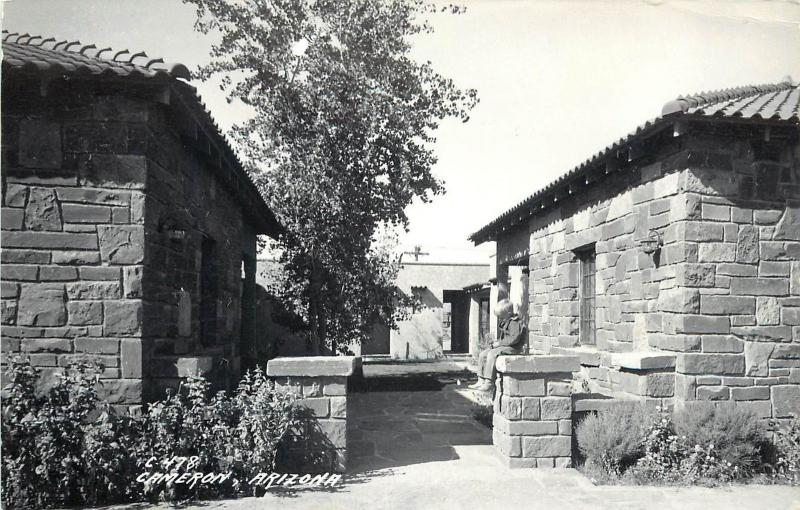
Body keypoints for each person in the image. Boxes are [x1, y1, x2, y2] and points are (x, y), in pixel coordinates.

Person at [469, 299, 526, 392]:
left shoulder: (515, 323)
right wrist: (497, 343)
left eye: (501, 317)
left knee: (492, 354)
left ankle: (489, 382)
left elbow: (514, 339)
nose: (500, 319)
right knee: (483, 354)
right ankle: (481, 380)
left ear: (508, 314)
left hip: (514, 348)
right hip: (505, 346)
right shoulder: (507, 321)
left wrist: (499, 344)